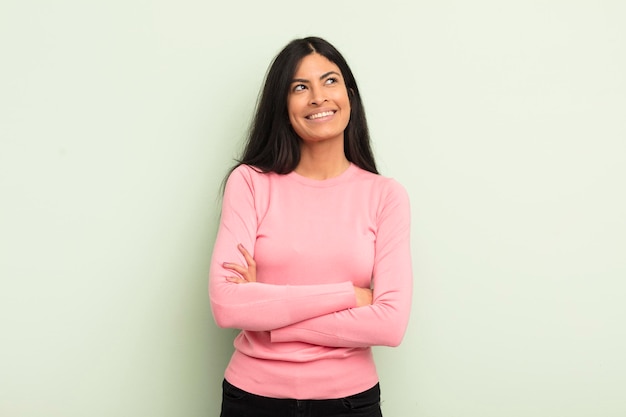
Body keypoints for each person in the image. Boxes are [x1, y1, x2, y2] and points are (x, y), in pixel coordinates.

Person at [209, 36, 412, 417]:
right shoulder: (250, 183)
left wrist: (271, 315)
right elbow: (226, 305)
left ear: (350, 95)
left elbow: (390, 324)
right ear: (282, 106)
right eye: (300, 87)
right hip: (252, 400)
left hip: (350, 403)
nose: (318, 97)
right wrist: (351, 295)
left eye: (330, 81)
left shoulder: (385, 196)